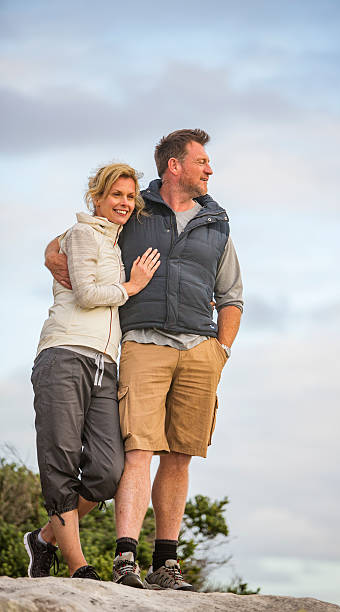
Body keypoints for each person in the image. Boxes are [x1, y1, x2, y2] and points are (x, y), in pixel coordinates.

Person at [45, 129, 243, 591]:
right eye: (202, 162)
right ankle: (126, 559)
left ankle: (166, 564)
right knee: (138, 450)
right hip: (143, 344)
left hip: (201, 350)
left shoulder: (217, 222)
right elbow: (68, 241)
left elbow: (231, 294)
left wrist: (222, 349)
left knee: (179, 457)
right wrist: (50, 256)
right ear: (175, 165)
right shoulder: (137, 208)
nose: (209, 170)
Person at [24, 163, 160, 582]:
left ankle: (44, 538)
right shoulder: (83, 233)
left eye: (129, 196)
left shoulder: (118, 241)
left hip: (105, 363)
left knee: (107, 470)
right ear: (97, 198)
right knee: (61, 460)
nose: (123, 203)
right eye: (115, 195)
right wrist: (132, 287)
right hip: (64, 352)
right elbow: (85, 294)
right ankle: (78, 565)